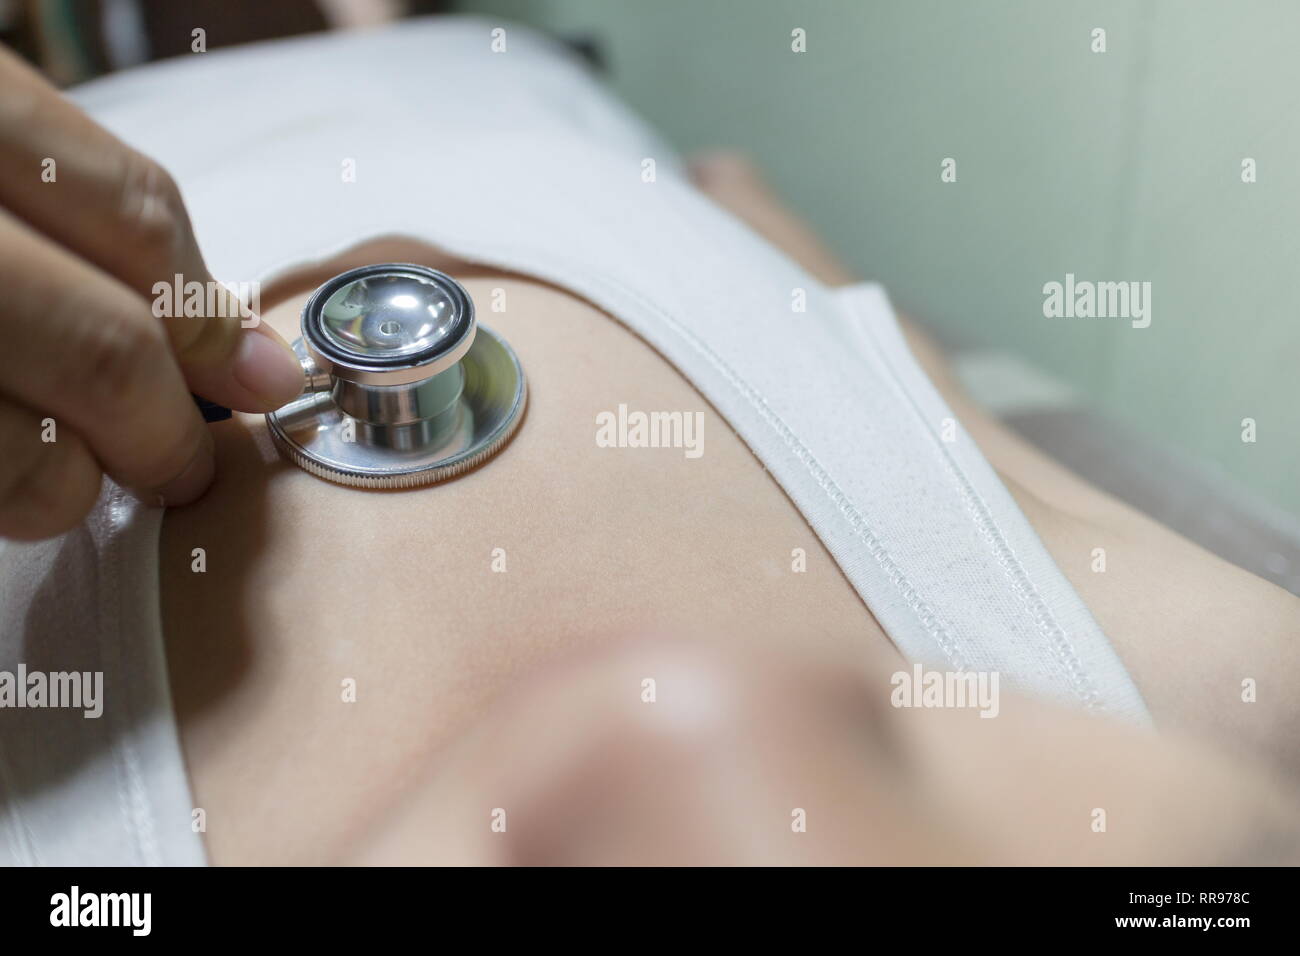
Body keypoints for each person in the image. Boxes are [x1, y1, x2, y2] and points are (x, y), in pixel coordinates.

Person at [0, 16, 1296, 866]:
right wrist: (790, 259)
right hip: (506, 108)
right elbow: (929, 420)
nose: (677, 725)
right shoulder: (1230, 698)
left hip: (154, 157)